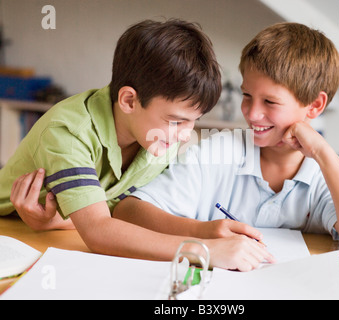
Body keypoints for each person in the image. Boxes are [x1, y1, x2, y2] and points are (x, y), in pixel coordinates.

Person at [1, 19, 272, 271]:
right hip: (11, 234)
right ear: (129, 101)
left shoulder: (154, 136)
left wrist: (205, 231)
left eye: (193, 121)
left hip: (59, 234)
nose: (185, 135)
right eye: (177, 121)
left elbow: (127, 210)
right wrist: (204, 250)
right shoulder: (68, 133)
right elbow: (98, 231)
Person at [112, 22, 339, 257]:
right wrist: (203, 231)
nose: (252, 113)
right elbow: (128, 212)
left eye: (270, 101)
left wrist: (324, 153)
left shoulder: (326, 172)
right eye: (247, 96)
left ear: (315, 106)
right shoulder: (219, 151)